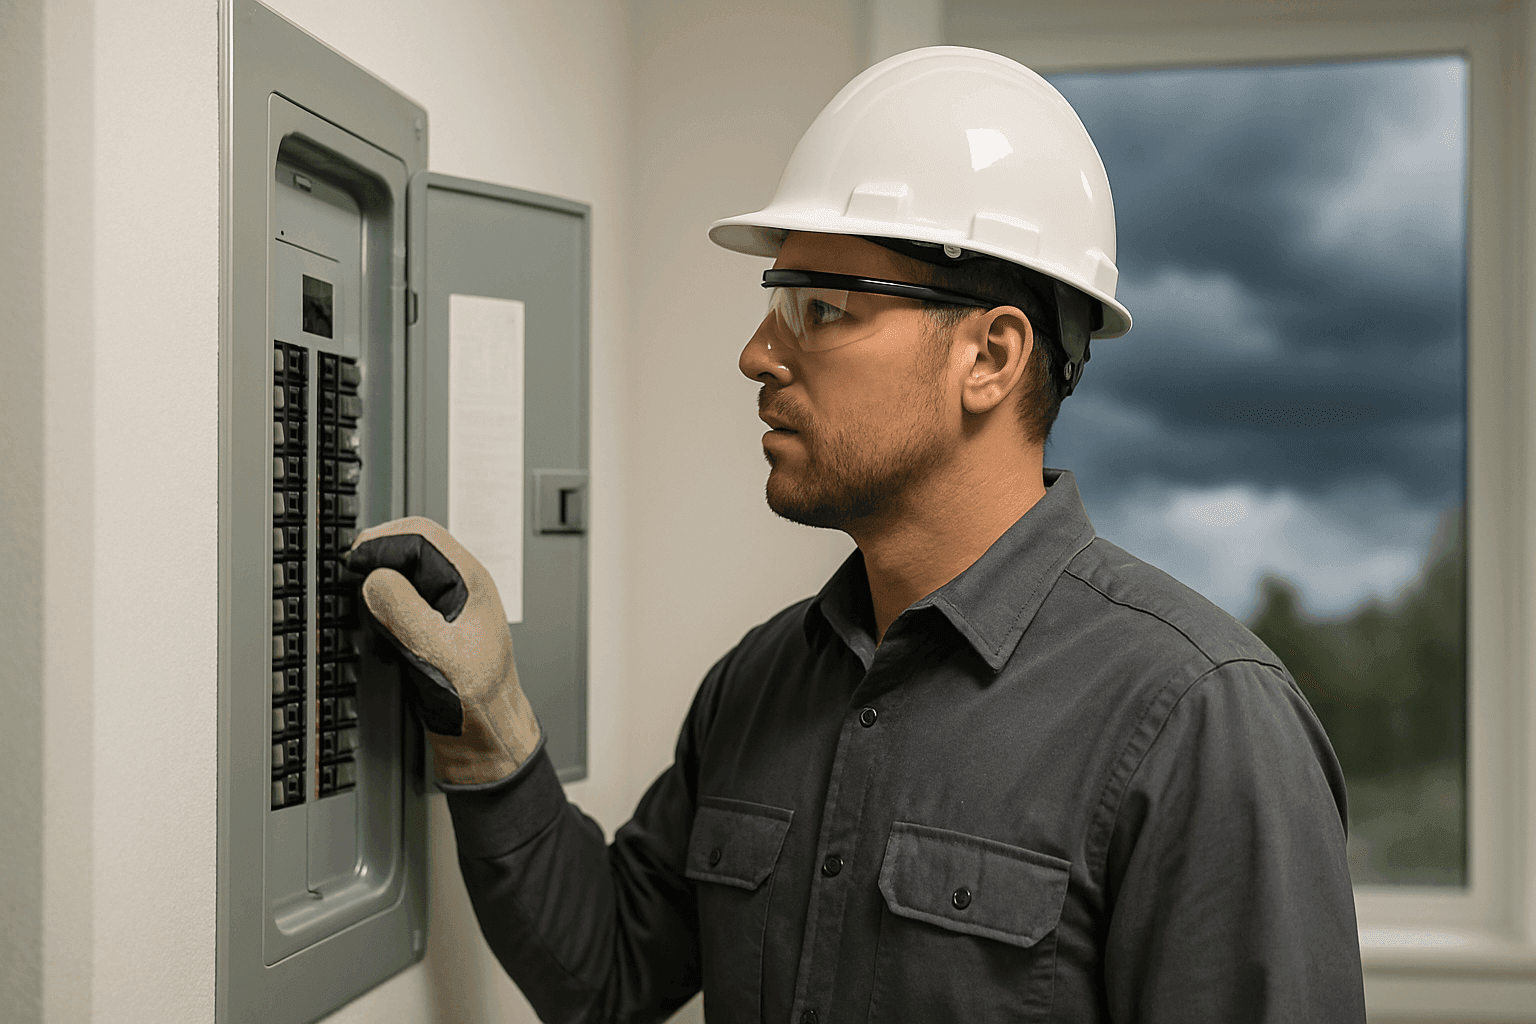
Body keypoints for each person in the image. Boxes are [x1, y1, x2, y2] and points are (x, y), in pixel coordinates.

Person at [347, 46, 1367, 1023]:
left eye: (821, 308)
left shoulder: (1204, 724)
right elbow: (606, 975)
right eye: (776, 303)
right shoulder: (756, 687)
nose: (757, 353)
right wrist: (490, 721)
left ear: (992, 355)